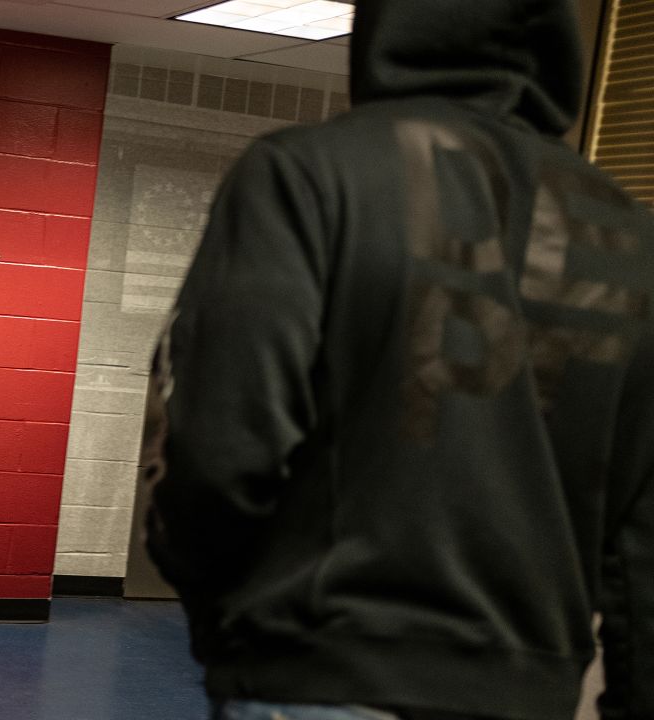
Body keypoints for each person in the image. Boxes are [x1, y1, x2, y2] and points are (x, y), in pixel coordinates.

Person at [143, 1, 654, 719]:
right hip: (527, 695)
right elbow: (642, 552)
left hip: (320, 673)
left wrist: (231, 624)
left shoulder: (307, 174)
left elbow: (218, 449)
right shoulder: (633, 237)